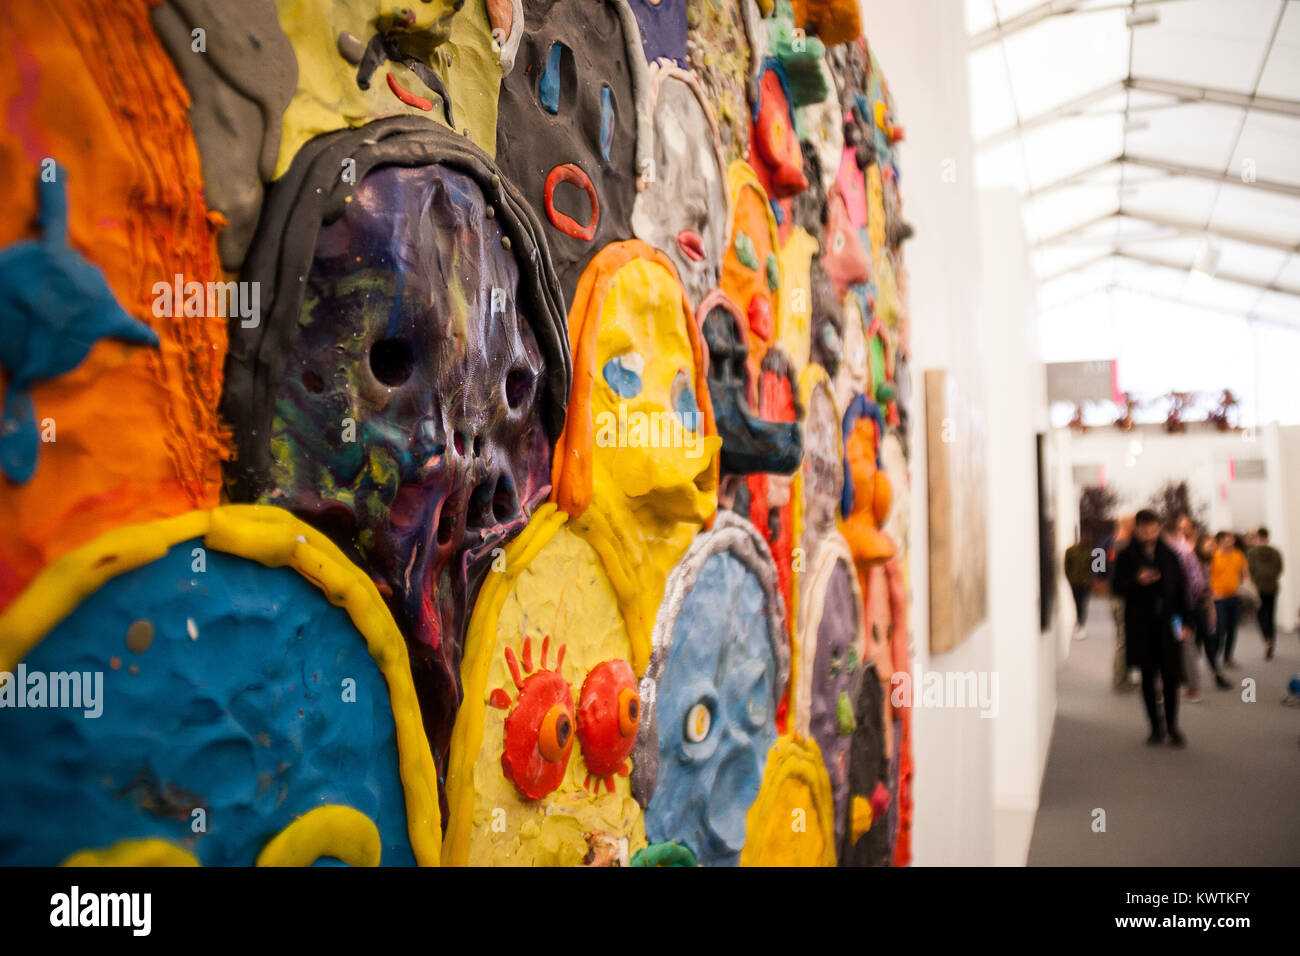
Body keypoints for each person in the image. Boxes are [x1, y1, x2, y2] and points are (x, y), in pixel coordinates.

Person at [1113, 510, 1191, 747]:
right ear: (1136, 529)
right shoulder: (1126, 555)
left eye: (1151, 527)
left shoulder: (1170, 555)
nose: (1147, 532)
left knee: (1171, 677)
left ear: (1158, 528)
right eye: (1143, 528)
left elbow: (1182, 591)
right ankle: (1155, 728)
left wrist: (1186, 622)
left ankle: (1173, 727)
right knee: (1148, 676)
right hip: (1141, 625)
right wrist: (1138, 581)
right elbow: (1116, 587)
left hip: (1168, 624)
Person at [1167, 516, 1206, 702]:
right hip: (1184, 607)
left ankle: (1185, 687)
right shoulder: (1186, 551)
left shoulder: (1173, 552)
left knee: (1176, 644)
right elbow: (1198, 582)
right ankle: (1191, 687)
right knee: (1184, 643)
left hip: (1173, 609)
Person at [1102, 515, 1136, 690]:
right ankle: (1119, 680)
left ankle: (1124, 676)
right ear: (1127, 525)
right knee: (1124, 639)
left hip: (1114, 597)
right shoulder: (1124, 545)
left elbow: (1097, 567)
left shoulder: (1108, 542)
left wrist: (1100, 579)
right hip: (1123, 599)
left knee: (1123, 638)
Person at [1194, 532, 1230, 688]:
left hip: (1203, 607)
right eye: (1209, 546)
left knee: (1207, 639)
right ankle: (1215, 674)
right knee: (1201, 641)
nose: (1212, 548)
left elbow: (1207, 589)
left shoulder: (1207, 563)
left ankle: (1216, 673)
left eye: (1213, 545)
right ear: (1200, 546)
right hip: (1192, 608)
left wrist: (1211, 610)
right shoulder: (1194, 562)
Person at [1210, 531, 1248, 667]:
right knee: (1221, 629)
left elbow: (1245, 573)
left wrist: (1246, 588)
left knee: (1232, 629)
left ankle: (1228, 658)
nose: (1230, 542)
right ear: (1219, 542)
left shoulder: (1238, 555)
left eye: (1231, 539)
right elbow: (1208, 576)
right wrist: (1211, 594)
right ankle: (1213, 656)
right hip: (1218, 598)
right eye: (1227, 540)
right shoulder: (1213, 556)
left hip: (1234, 597)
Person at [1246, 527, 1283, 660]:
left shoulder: (1252, 553)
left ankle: (1267, 639)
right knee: (1271, 614)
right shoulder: (1275, 552)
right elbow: (1280, 568)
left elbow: (1251, 570)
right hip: (1272, 586)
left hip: (1259, 587)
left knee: (1261, 614)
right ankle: (1271, 639)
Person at [1064, 532, 1095, 640]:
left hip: (1085, 583)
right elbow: (1067, 566)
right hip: (1075, 582)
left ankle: (1081, 624)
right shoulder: (1071, 551)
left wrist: (1091, 580)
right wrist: (1070, 578)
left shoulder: (1092, 552)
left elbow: (1095, 569)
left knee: (1083, 603)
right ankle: (1080, 623)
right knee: (1078, 602)